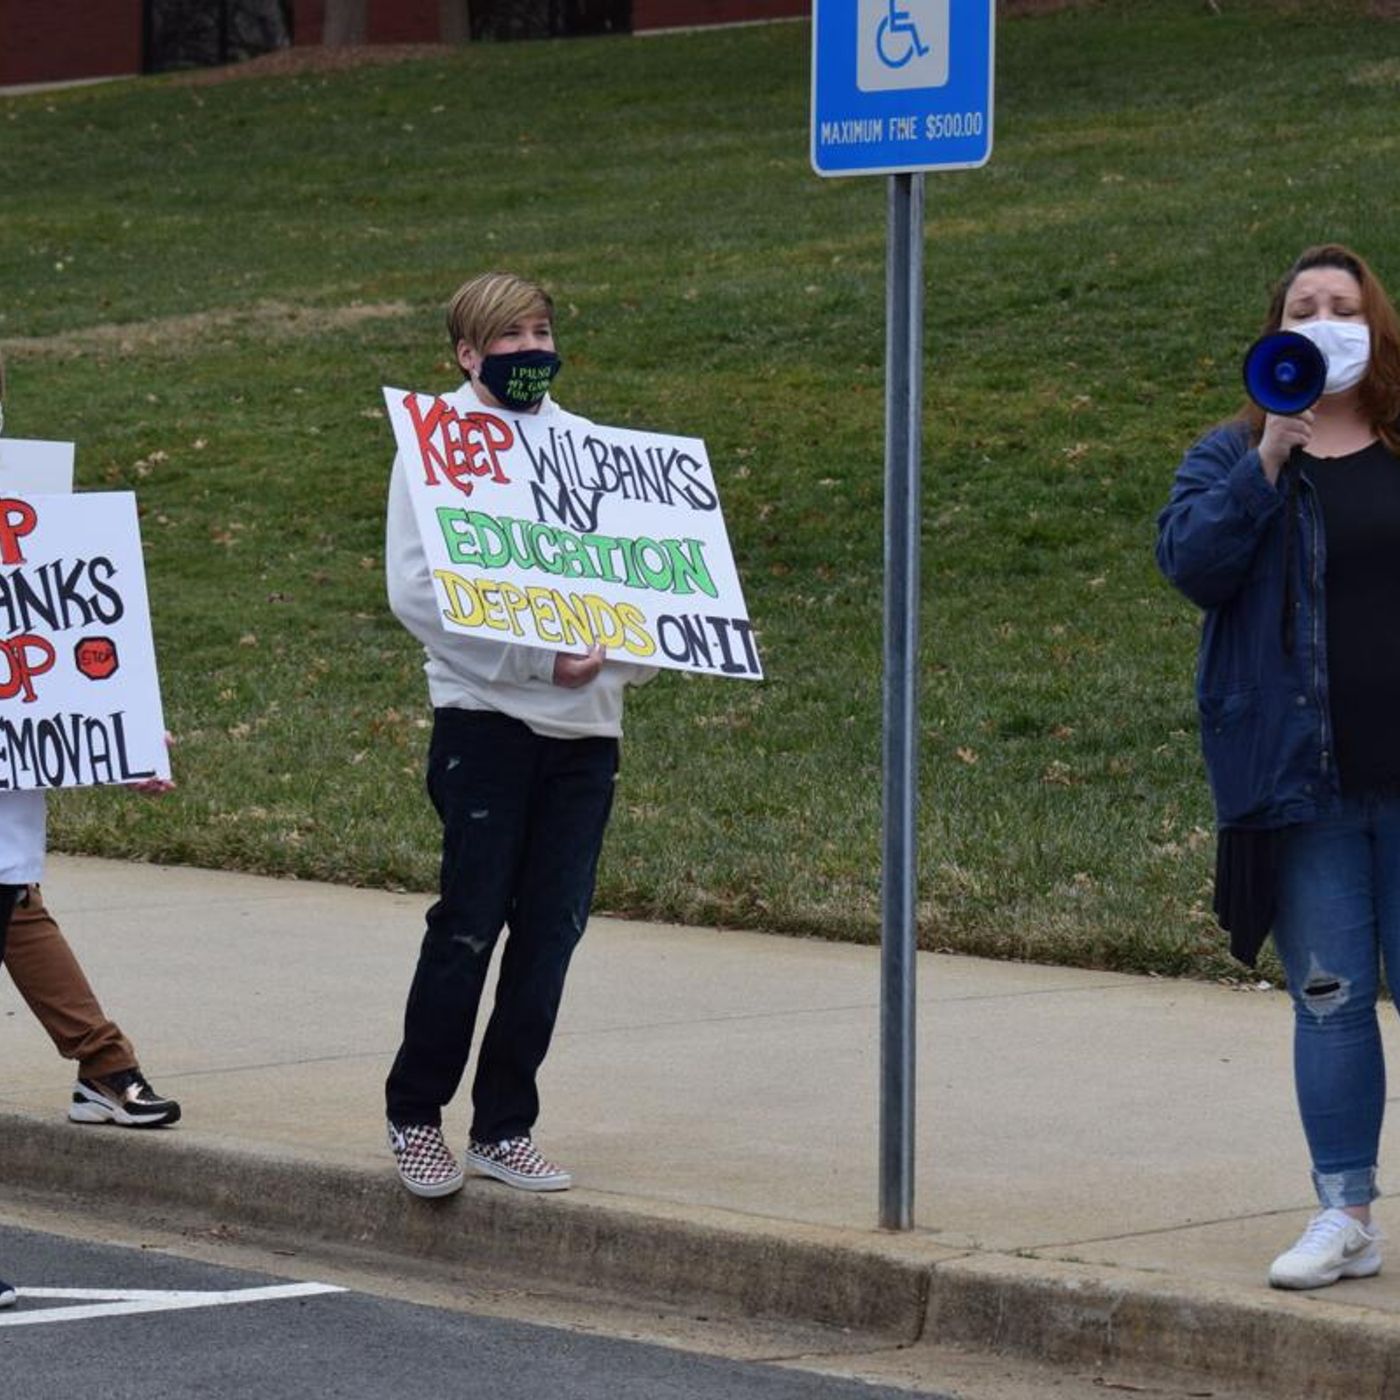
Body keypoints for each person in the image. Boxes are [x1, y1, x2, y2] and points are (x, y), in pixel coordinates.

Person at [1158, 243, 1400, 1291]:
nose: (1322, 318)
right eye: (1302, 306)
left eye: (1340, 306)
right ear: (1274, 329)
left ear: (1373, 325)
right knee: (1329, 992)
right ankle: (1342, 1209)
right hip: (1300, 782)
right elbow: (1192, 565)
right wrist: (1269, 457)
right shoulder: (1226, 453)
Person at [383, 272, 656, 1196]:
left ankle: (504, 1125)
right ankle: (417, 1116)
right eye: (509, 337)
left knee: (551, 934)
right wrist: (538, 664)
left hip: (588, 734)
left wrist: (613, 663)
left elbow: (645, 582)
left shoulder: (591, 451)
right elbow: (420, 592)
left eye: (541, 329)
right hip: (487, 723)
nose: (530, 349)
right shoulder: (435, 447)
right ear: (466, 353)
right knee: (469, 924)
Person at [0, 351, 180, 1132]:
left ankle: (104, 1065)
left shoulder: (27, 498)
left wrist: (123, 738)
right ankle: (105, 1064)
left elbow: (62, 644)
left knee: (11, 896)